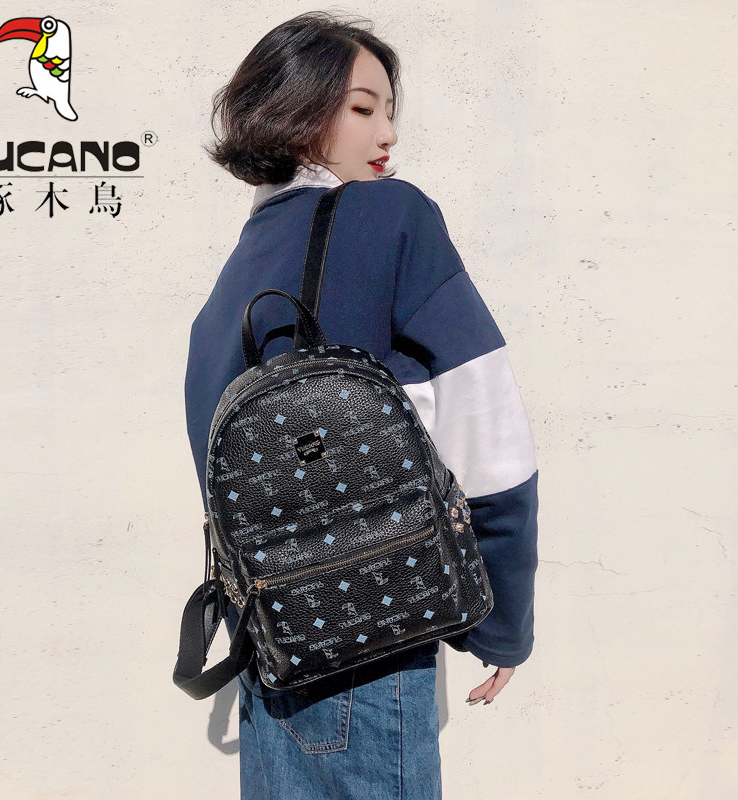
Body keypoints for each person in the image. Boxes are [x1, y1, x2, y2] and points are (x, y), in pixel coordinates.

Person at [184, 11, 539, 799]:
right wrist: (502, 620)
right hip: (372, 642)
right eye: (363, 107)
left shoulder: (243, 264)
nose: (388, 133)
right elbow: (487, 433)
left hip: (271, 652)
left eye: (389, 110)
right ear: (298, 108)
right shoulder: (392, 216)